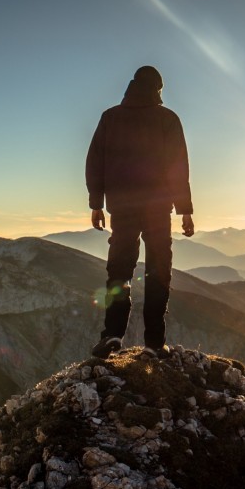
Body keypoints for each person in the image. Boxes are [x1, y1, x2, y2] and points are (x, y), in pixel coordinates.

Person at [85, 65, 195, 359]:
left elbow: (95, 161)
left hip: (121, 206)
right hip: (158, 207)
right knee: (159, 269)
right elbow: (178, 168)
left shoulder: (111, 117)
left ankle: (112, 335)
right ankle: (154, 342)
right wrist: (184, 209)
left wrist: (96, 203)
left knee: (119, 268)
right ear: (158, 89)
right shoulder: (168, 119)